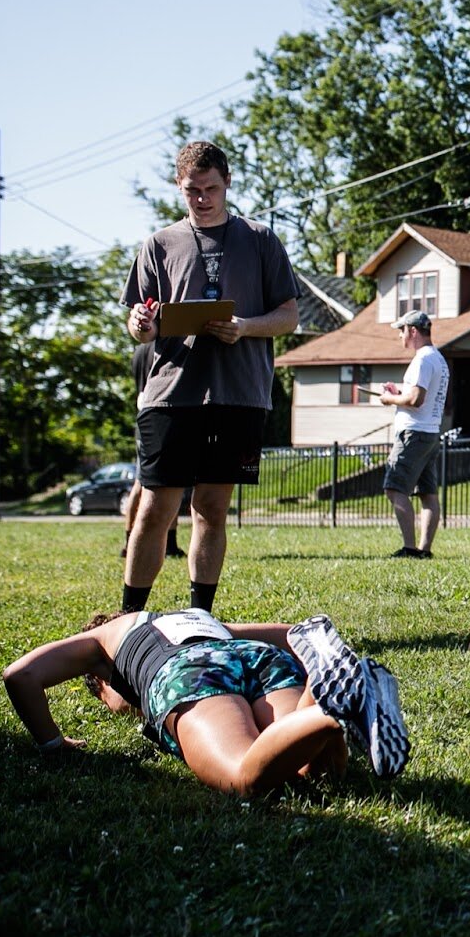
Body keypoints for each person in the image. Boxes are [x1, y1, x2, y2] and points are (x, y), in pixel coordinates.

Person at [121, 140, 300, 614]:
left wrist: (244, 327)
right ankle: (129, 618)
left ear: (228, 183)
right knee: (156, 508)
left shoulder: (260, 240)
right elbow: (139, 324)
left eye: (210, 188)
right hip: (170, 395)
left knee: (211, 510)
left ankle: (201, 615)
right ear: (179, 188)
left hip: (238, 395)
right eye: (191, 191)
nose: (201, 198)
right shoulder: (158, 244)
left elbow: (288, 317)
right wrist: (141, 325)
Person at [2, 610, 408, 796]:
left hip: (187, 672)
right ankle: (330, 696)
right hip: (253, 655)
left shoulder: (103, 643)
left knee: (242, 777)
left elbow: (19, 675)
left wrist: (53, 745)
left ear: (102, 682)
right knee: (316, 773)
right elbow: (292, 634)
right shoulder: (190, 617)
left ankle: (326, 706)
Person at [378, 309, 450, 559]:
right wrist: (398, 392)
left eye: (402, 330)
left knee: (394, 487)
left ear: (413, 331)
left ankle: (409, 549)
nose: (400, 336)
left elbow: (416, 399)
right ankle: (424, 550)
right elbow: (419, 397)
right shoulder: (439, 359)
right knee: (427, 493)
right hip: (430, 433)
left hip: (413, 434)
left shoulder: (422, 359)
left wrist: (389, 398)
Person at [121, 343, 182, 560]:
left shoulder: (137, 351)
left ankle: (131, 541)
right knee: (161, 483)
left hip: (144, 418)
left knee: (146, 484)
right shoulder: (162, 345)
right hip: (159, 416)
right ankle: (164, 543)